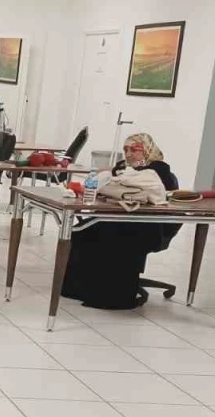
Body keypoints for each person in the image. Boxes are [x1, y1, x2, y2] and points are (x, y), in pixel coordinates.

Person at [61, 133, 180, 310]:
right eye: (126, 150)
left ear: (147, 150)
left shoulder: (160, 172)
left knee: (112, 236)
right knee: (82, 231)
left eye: (135, 149)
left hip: (149, 226)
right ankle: (79, 289)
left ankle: (114, 296)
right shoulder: (125, 168)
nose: (129, 154)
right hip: (123, 218)